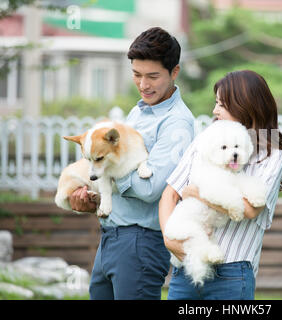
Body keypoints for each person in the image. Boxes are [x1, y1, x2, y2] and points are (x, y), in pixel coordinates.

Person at [68, 27, 195, 300]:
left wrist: (109, 176)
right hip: (112, 236)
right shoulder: (138, 111)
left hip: (140, 243)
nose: (143, 84)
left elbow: (150, 190)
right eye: (137, 75)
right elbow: (114, 166)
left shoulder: (176, 123)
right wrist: (94, 198)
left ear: (174, 72)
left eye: (153, 76)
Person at [159, 70, 282, 300]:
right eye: (216, 103)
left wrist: (198, 194)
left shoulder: (271, 156)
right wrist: (169, 240)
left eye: (222, 104)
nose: (215, 111)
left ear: (244, 105)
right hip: (187, 265)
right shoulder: (204, 141)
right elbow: (169, 194)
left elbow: (250, 209)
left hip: (232, 273)